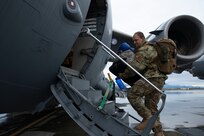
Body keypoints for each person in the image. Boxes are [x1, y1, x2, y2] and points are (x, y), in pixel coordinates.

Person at [118, 31, 167, 136]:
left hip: (152, 78)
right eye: (133, 41)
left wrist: (122, 75)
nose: (134, 42)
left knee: (132, 94)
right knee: (151, 106)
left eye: (136, 40)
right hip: (160, 80)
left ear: (142, 38)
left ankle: (149, 119)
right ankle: (159, 133)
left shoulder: (145, 49)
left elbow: (135, 68)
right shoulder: (152, 48)